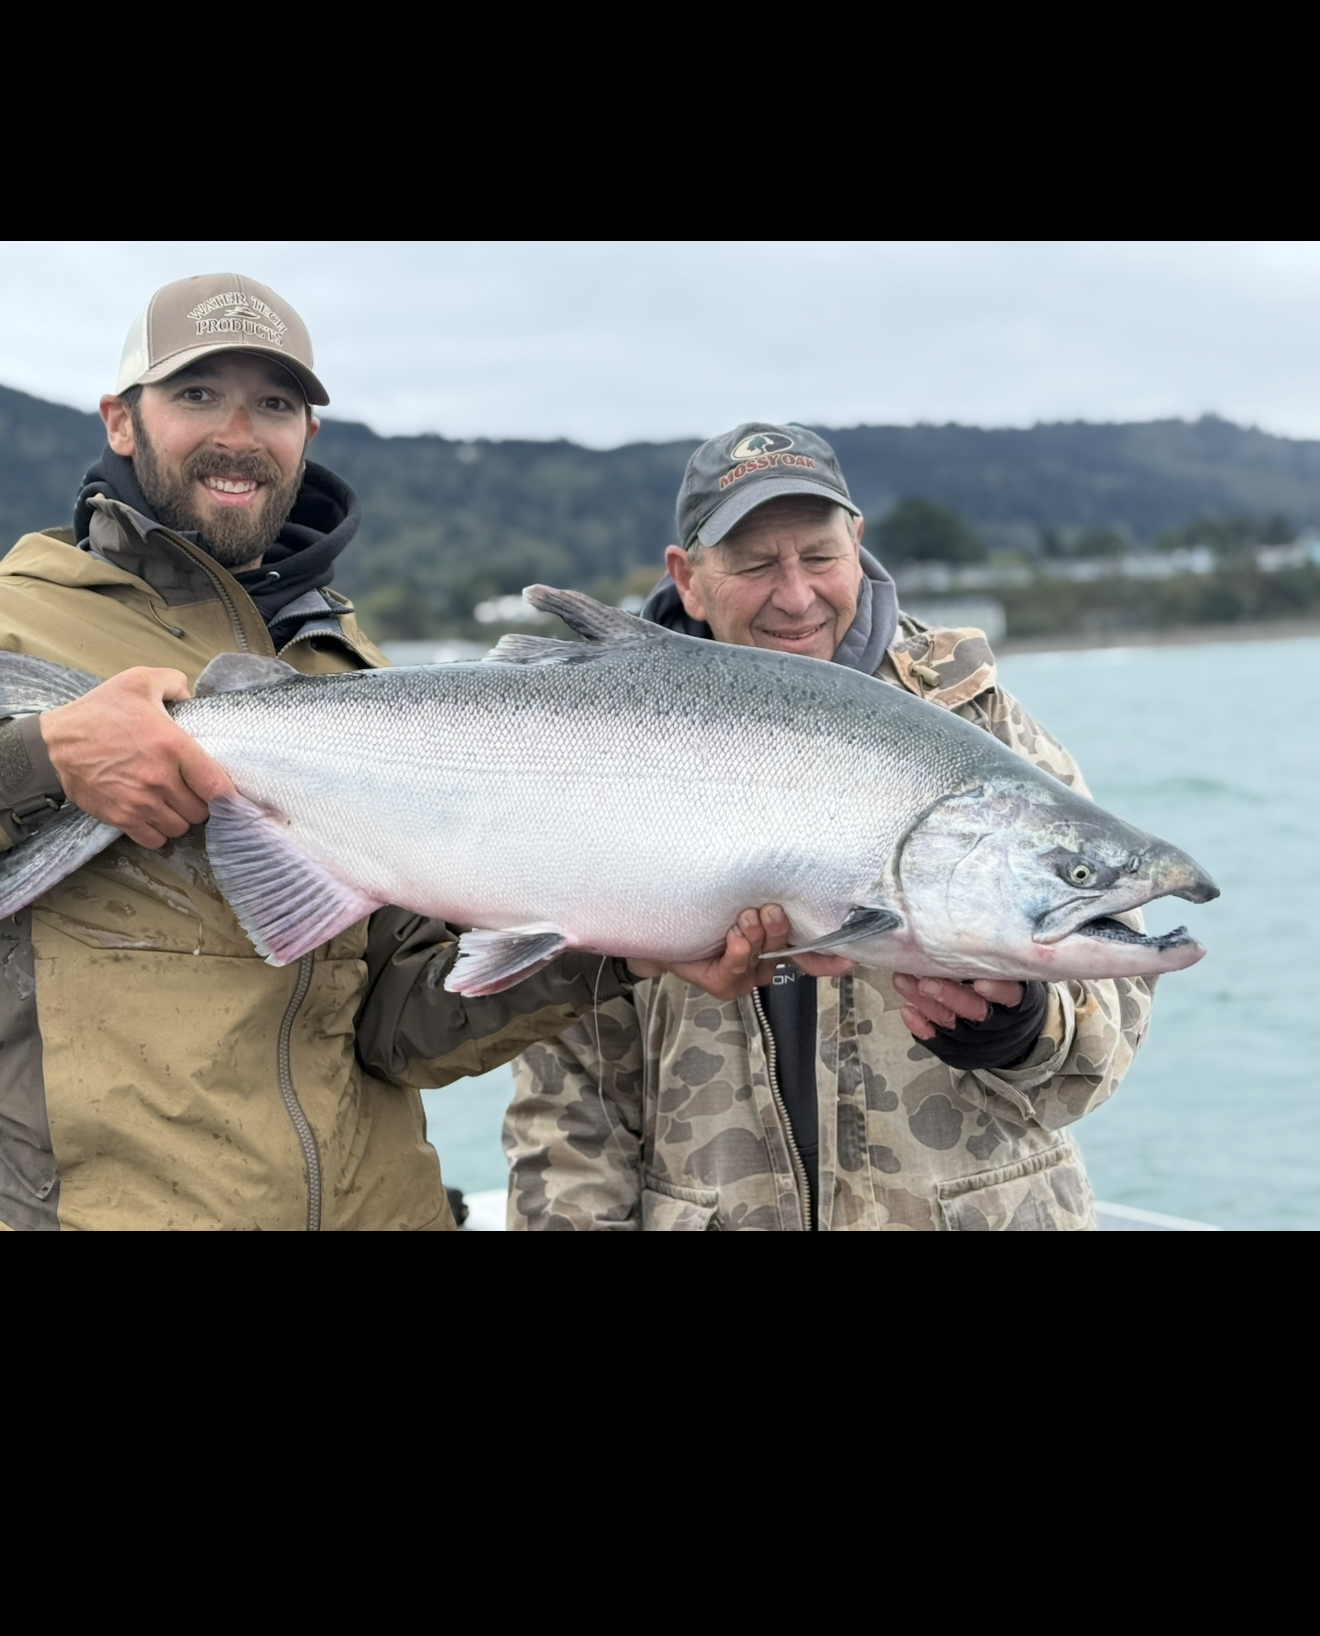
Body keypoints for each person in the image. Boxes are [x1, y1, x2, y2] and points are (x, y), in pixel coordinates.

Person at [0, 278, 770, 1232]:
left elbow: (397, 1031)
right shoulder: (14, 619)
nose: (239, 433)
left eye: (274, 404)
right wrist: (43, 757)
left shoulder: (351, 670)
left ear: (306, 438)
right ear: (121, 421)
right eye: (197, 394)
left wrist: (620, 949)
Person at [504, 424, 1153, 1231]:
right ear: (689, 578)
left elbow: (1113, 1018)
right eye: (753, 564)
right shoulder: (590, 743)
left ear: (857, 545)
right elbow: (570, 1096)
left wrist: (1021, 1029)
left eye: (818, 556)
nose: (797, 594)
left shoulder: (973, 723)